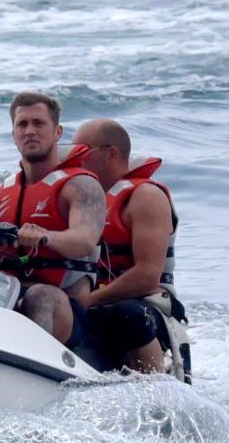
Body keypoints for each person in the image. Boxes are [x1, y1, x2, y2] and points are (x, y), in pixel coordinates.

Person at [0, 92, 106, 346]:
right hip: (10, 290)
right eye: (22, 124)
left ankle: (31, 369)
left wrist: (46, 236)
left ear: (58, 132)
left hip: (66, 306)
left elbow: (85, 240)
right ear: (13, 135)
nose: (30, 131)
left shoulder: (81, 186)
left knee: (40, 295)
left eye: (38, 123)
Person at [71, 118, 190, 379]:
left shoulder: (145, 197)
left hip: (147, 306)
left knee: (127, 315)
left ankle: (158, 397)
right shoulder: (77, 200)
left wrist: (88, 301)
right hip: (93, 302)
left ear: (110, 153)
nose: (73, 157)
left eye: (82, 150)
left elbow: (147, 277)